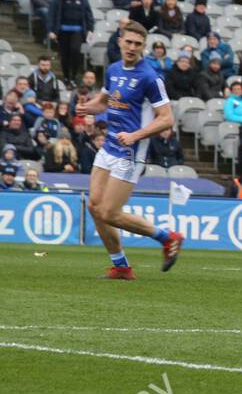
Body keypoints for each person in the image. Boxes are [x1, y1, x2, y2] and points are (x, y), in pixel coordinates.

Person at [74, 21, 182, 279]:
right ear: (120, 41)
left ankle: (168, 238)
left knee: (109, 212)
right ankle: (121, 266)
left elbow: (167, 119)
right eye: (129, 42)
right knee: (94, 207)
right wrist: (87, 108)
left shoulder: (150, 77)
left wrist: (135, 135)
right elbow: (104, 101)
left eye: (138, 44)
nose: (132, 47)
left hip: (131, 153)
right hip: (109, 147)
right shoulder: (113, 70)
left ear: (143, 47)